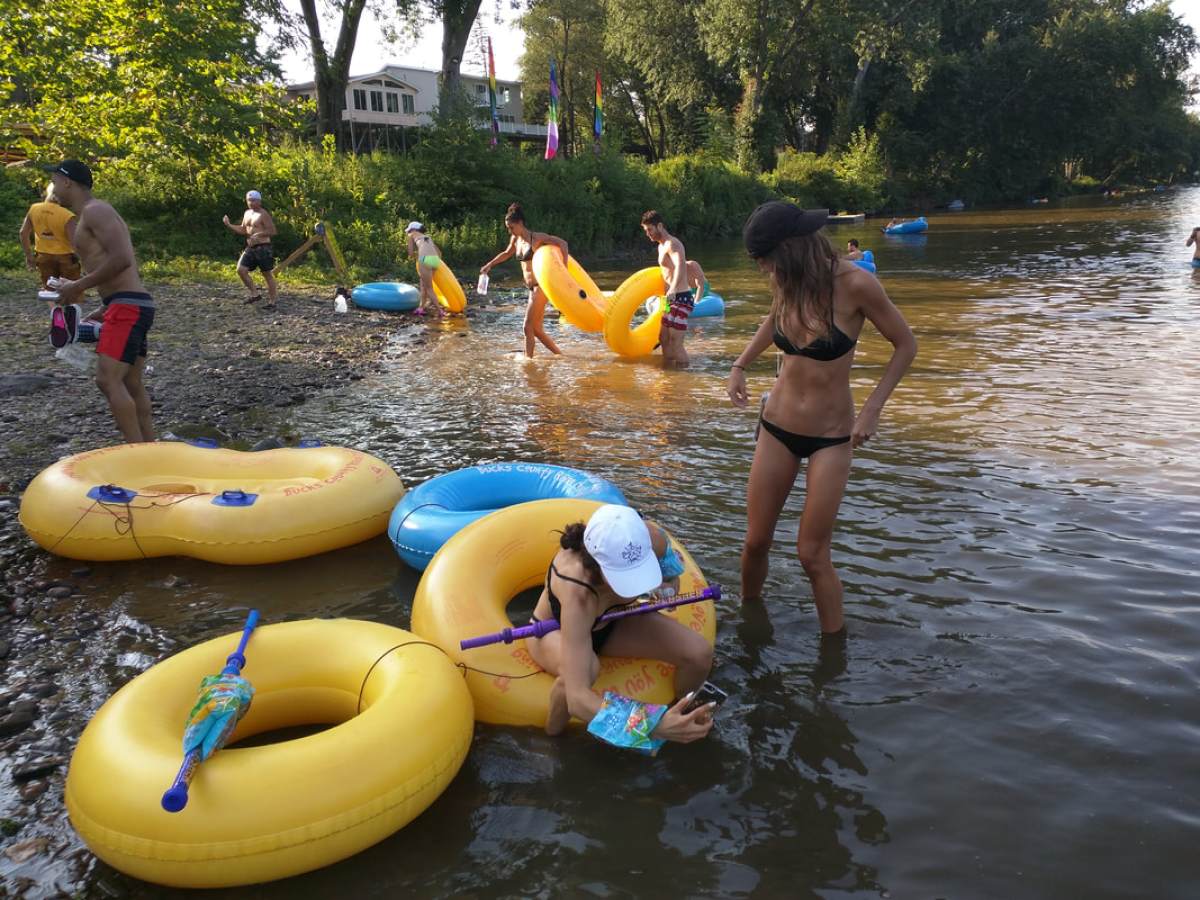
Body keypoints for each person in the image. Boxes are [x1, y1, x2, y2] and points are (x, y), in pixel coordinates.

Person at [727, 202, 917, 634]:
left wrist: (871, 409)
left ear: (788, 250)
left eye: (765, 262)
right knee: (756, 542)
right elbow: (775, 317)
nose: (763, 271)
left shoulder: (857, 284)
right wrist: (740, 364)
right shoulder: (788, 279)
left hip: (832, 436)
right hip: (776, 426)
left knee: (812, 554)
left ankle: (833, 658)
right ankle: (749, 623)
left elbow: (906, 345)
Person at [525, 504, 715, 751]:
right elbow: (578, 700)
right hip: (555, 630)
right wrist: (652, 726)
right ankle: (551, 742)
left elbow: (672, 575)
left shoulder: (649, 538)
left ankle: (682, 713)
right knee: (584, 672)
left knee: (699, 653)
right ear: (596, 564)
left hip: (613, 621)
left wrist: (667, 587)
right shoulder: (577, 591)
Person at [46, 160, 155, 443]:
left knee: (107, 379)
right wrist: (101, 310)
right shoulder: (89, 214)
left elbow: (122, 259)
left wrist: (78, 286)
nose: (53, 187)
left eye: (55, 180)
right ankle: (151, 450)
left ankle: (138, 453)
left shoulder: (96, 211)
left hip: (128, 305)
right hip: (126, 303)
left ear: (67, 181)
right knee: (130, 381)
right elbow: (116, 268)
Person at [479, 203, 567, 357]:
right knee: (537, 330)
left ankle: (528, 362)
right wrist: (489, 265)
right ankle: (560, 356)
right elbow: (506, 253)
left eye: (511, 227)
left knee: (527, 326)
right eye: (508, 228)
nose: (509, 231)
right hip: (531, 288)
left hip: (541, 286)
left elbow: (563, 243)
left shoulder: (537, 238)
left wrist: (563, 269)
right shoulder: (516, 239)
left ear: (520, 223)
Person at [640, 211, 693, 367]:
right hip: (669, 299)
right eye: (646, 231)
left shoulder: (672, 244)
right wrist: (665, 295)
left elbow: (680, 265)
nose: (648, 234)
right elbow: (665, 273)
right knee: (663, 338)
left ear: (660, 226)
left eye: (650, 230)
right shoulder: (660, 247)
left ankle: (684, 378)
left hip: (681, 297)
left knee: (676, 341)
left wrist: (674, 289)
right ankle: (669, 375)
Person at [20, 183, 79, 295]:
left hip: (43, 256)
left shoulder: (34, 209)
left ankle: (55, 311)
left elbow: (23, 233)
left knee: (49, 290)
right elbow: (74, 242)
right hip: (66, 258)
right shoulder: (68, 215)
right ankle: (69, 310)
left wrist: (29, 256)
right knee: (71, 290)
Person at [223, 190, 278, 309]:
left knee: (267, 274)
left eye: (253, 200)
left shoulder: (263, 214)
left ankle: (272, 302)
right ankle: (255, 294)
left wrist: (259, 234)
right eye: (249, 200)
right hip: (251, 247)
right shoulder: (247, 213)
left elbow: (273, 231)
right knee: (241, 270)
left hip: (263, 247)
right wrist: (229, 225)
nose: (251, 203)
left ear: (259, 201)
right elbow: (243, 229)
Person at [404, 221, 446, 318]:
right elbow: (439, 252)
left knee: (429, 287)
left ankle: (440, 311)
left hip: (424, 259)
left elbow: (410, 253)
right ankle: (421, 308)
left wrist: (416, 257)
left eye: (409, 230)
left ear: (414, 229)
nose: (409, 232)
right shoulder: (427, 237)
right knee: (423, 285)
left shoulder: (411, 235)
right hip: (435, 260)